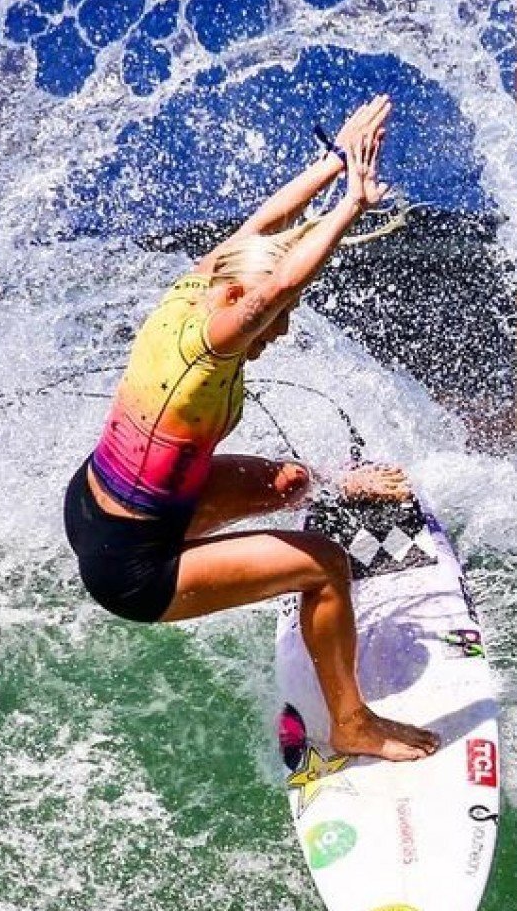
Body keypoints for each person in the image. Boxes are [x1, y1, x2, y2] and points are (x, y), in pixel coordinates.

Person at [63, 93, 438, 763]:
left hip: (98, 501)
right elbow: (274, 291)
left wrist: (332, 164)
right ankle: (353, 724)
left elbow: (266, 226)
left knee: (292, 482)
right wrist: (352, 203)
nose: (279, 331)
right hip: (133, 568)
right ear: (238, 307)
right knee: (325, 567)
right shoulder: (213, 345)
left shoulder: (200, 283)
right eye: (266, 321)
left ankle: (328, 495)